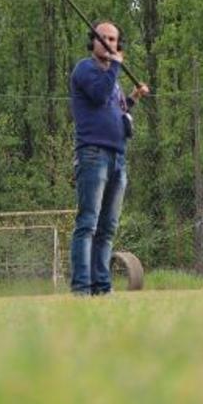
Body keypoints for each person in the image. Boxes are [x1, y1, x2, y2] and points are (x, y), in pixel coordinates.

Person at [70, 20, 149, 296]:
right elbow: (98, 94)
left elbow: (115, 108)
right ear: (93, 42)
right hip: (93, 153)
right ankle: (82, 287)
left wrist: (133, 98)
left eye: (113, 39)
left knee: (107, 227)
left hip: (117, 156)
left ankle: (102, 287)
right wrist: (116, 65)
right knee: (88, 223)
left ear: (118, 44)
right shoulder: (86, 69)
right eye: (102, 38)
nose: (107, 43)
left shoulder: (111, 80)